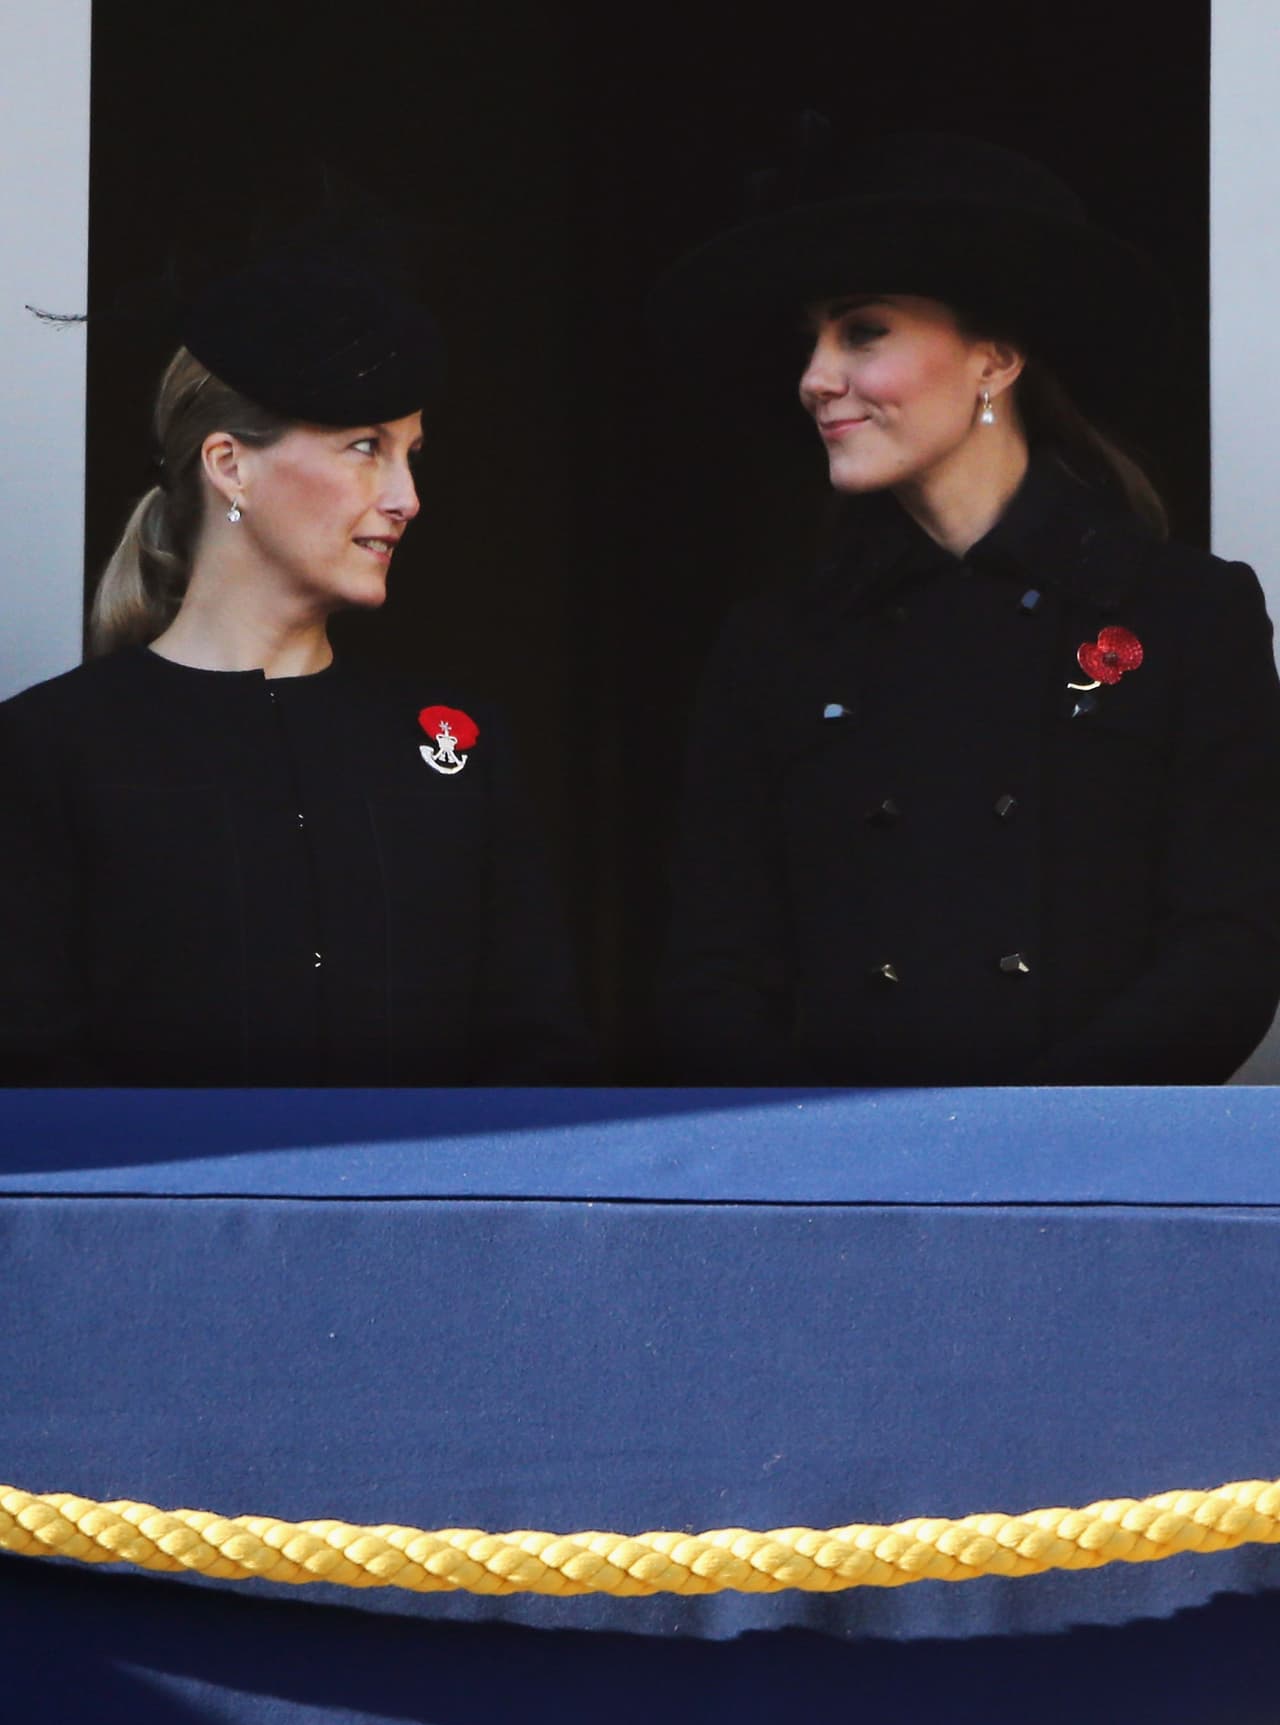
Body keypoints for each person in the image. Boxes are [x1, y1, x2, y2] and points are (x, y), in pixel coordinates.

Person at [653, 131, 1280, 1085]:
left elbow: (1230, 945)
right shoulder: (777, 645)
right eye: (811, 341)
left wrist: (1029, 1137)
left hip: (1092, 1158)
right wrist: (824, 1146)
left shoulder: (1189, 613)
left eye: (863, 332)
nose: (816, 377)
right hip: (841, 1165)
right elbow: (714, 970)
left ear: (996, 358)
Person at [0, 249, 591, 1085]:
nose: (407, 497)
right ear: (229, 465)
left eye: (411, 453)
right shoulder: (52, 748)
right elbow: (30, 1080)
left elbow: (539, 1058)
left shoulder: (455, 745)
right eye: (365, 446)